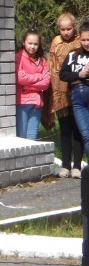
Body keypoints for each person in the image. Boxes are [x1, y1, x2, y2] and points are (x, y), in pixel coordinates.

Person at [49, 14, 83, 177]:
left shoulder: (80, 42)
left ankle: (77, 165)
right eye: (62, 29)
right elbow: (52, 66)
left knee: (77, 129)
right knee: (65, 130)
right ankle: (65, 165)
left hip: (77, 89)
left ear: (74, 27)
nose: (66, 32)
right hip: (60, 92)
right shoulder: (56, 42)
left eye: (69, 28)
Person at [59, 22, 89, 166]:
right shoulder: (73, 55)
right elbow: (63, 75)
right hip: (78, 100)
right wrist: (79, 74)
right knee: (86, 135)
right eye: (83, 40)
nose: (86, 43)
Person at [15, 30, 51, 140]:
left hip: (37, 103)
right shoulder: (18, 57)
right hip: (22, 102)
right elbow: (20, 78)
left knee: (32, 136)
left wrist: (27, 85)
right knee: (21, 136)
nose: (32, 46)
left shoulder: (42, 61)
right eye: (30, 43)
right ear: (23, 43)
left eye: (36, 44)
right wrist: (38, 76)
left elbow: (46, 83)